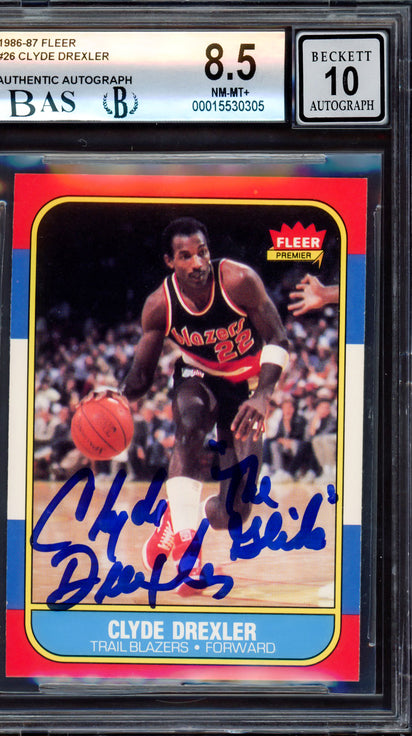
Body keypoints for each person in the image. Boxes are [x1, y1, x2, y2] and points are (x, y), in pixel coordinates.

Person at [121, 217, 289, 588]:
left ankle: (180, 517)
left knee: (234, 514)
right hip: (198, 376)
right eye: (185, 256)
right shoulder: (159, 305)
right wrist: (116, 395)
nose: (197, 263)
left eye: (202, 252)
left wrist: (263, 394)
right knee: (190, 423)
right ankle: (188, 558)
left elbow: (279, 338)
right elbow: (141, 376)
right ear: (170, 261)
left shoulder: (238, 280)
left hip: (246, 387)